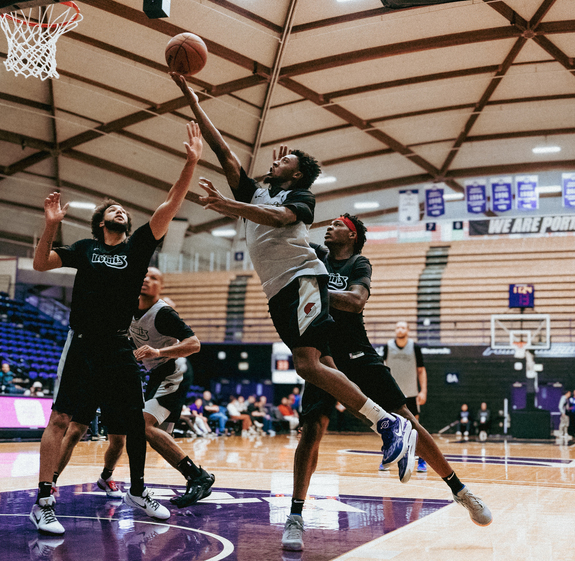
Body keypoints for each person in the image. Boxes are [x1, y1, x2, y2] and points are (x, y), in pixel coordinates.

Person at [172, 72, 415, 474]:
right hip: (277, 289)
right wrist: (193, 101)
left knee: (307, 364)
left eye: (284, 161)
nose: (275, 160)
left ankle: (389, 424)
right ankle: (388, 423)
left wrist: (230, 206)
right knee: (314, 366)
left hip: (303, 278)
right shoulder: (257, 190)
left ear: (297, 174)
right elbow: (226, 153)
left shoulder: (300, 196)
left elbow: (280, 218)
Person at [29, 121, 202, 534]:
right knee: (61, 420)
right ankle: (43, 500)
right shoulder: (86, 249)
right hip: (83, 344)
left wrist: (190, 162)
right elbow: (41, 263)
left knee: (132, 422)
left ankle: (138, 490)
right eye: (112, 210)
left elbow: (170, 203)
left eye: (123, 209)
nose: (119, 210)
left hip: (119, 347)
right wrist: (51, 223)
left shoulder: (138, 247)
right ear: (100, 222)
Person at [282, 215, 491, 551]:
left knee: (407, 418)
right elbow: (289, 234)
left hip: (356, 352)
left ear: (350, 234)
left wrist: (316, 288)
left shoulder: (357, 262)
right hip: (322, 353)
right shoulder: (317, 257)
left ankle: (460, 491)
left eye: (336, 224)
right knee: (313, 429)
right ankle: (295, 516)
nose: (328, 227)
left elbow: (354, 301)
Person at [59, 267, 214, 508]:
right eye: (143, 276)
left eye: (153, 278)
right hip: (153, 374)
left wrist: (159, 351)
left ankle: (197, 476)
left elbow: (194, 344)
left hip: (173, 371)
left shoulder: (163, 313)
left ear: (160, 286)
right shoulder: (127, 307)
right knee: (142, 432)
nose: (146, 280)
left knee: (141, 426)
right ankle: (192, 476)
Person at [382, 321, 428, 471]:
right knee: (389, 428)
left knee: (415, 428)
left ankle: (422, 460)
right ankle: (387, 458)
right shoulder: (387, 346)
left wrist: (423, 391)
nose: (399, 329)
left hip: (411, 394)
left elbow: (421, 371)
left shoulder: (415, 347)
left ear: (408, 330)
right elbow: (381, 369)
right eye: (397, 327)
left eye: (402, 327)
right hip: (392, 393)